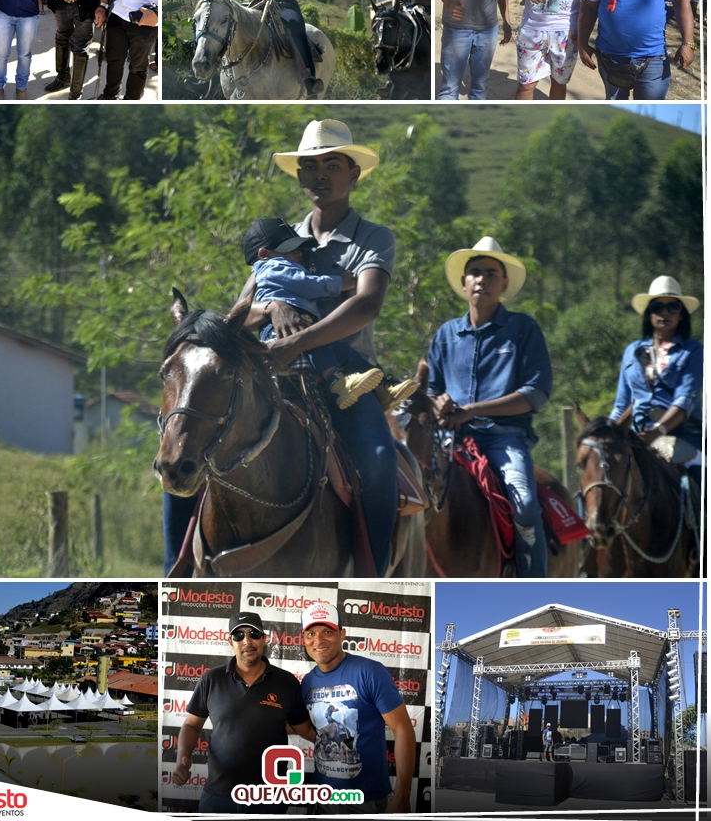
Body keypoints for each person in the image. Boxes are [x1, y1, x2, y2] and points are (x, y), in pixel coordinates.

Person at [162, 120, 411, 579]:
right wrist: (274, 304)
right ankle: (175, 572)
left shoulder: (373, 239)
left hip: (344, 388)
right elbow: (240, 317)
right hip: (267, 383)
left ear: (354, 173)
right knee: (185, 452)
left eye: (332, 165)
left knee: (378, 463)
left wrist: (297, 341)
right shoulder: (275, 238)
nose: (320, 175)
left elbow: (367, 304)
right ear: (298, 176)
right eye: (310, 166)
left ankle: (372, 579)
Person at [426, 236, 552, 578]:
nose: (483, 279)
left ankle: (532, 582)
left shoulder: (523, 329)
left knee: (525, 505)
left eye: (491, 274)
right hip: (448, 437)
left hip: (504, 439)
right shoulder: (445, 335)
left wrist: (473, 409)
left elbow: (537, 392)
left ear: (504, 284)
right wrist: (438, 400)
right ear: (464, 283)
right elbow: (431, 387)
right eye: (476, 273)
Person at [245, 217, 413, 410]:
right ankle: (337, 382)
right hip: (283, 330)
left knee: (342, 350)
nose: (299, 252)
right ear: (264, 253)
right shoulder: (273, 267)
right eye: (290, 248)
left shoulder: (275, 263)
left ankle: (380, 386)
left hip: (303, 320)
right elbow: (306, 284)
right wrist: (341, 283)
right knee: (317, 346)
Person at [171, 611, 315, 814]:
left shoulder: (286, 682)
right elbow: (191, 725)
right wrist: (182, 761)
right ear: (230, 642)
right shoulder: (211, 680)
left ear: (264, 639)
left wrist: (342, 746)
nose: (247, 640)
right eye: (238, 635)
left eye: (254, 634)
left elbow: (306, 729)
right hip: (218, 796)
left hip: (269, 797)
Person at [300, 602, 415, 814]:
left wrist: (402, 795)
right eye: (311, 633)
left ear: (342, 634)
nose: (318, 640)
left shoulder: (370, 672)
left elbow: (402, 729)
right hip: (320, 798)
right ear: (303, 639)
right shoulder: (307, 682)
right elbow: (309, 729)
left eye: (327, 631)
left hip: (365, 801)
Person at [610, 276, 702, 485]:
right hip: (637, 437)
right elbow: (621, 405)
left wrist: (658, 430)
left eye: (673, 307)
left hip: (684, 435)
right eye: (658, 307)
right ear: (649, 314)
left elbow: (684, 401)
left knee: (700, 477)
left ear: (682, 315)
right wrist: (609, 434)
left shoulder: (694, 351)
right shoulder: (632, 351)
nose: (665, 313)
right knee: (601, 478)